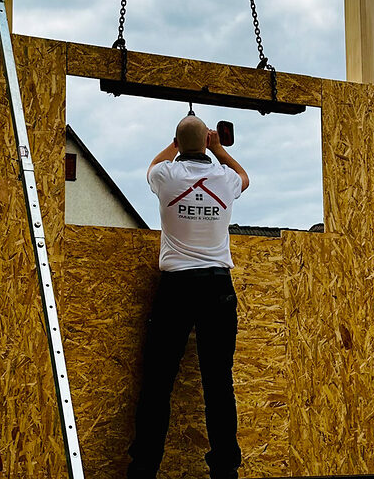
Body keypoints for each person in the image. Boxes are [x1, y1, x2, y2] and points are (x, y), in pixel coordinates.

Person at [127, 115, 250, 479]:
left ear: (178, 143)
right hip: (217, 288)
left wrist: (177, 143)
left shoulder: (167, 176)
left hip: (176, 288)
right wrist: (219, 149)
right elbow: (245, 177)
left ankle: (143, 470)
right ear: (207, 143)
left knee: (158, 383)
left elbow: (152, 166)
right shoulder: (224, 180)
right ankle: (225, 471)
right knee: (218, 383)